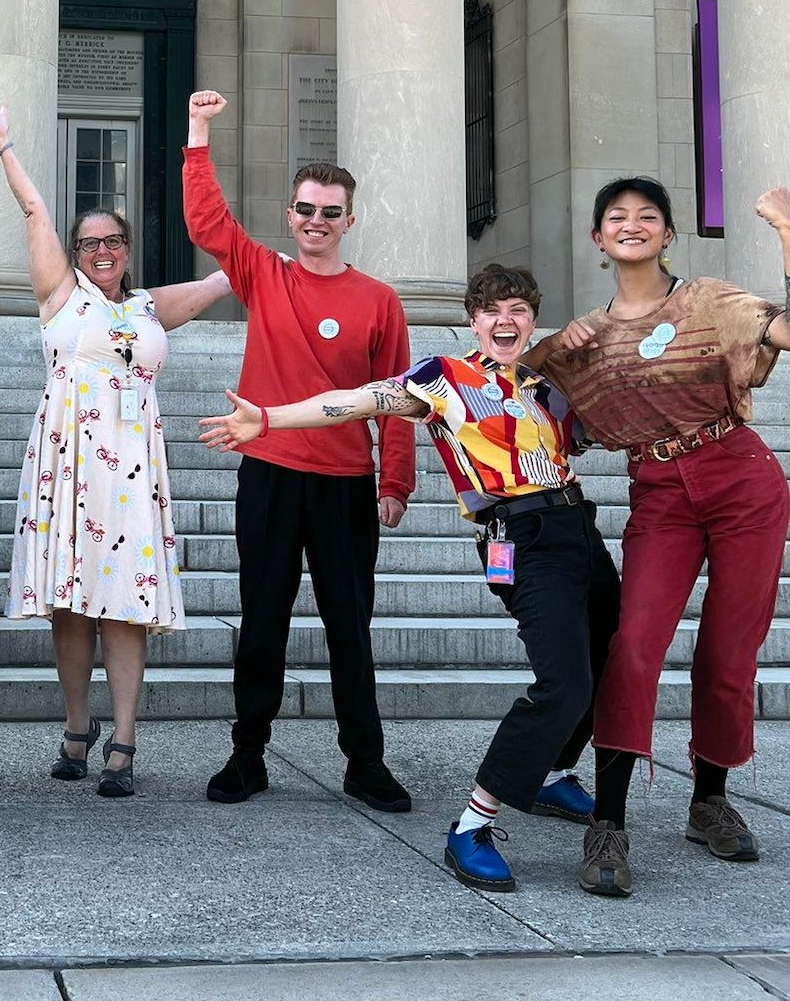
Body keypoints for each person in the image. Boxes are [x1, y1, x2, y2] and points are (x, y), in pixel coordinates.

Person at [203, 264, 621, 893]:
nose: (505, 322)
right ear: (471, 321)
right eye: (491, 311)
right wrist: (268, 420)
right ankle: (472, 827)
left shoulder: (546, 385)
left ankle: (554, 774)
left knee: (611, 665)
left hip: (580, 532)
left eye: (518, 310)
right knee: (562, 683)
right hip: (519, 538)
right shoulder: (443, 380)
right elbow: (360, 400)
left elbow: (604, 430)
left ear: (534, 318)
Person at [527, 178, 790, 898]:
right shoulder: (583, 340)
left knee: (729, 650)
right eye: (616, 218)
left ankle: (709, 800)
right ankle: (609, 821)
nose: (632, 226)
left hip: (741, 478)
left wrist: (788, 228)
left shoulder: (711, 301)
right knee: (633, 646)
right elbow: (497, 381)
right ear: (598, 240)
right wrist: (544, 349)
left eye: (648, 217)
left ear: (667, 235)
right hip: (659, 494)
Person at [0, 90, 230, 797]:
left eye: (114, 241)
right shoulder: (60, 296)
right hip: (70, 463)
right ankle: (76, 730)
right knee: (74, 604)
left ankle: (125, 738)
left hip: (132, 470)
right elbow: (34, 212)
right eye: (92, 243)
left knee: (127, 600)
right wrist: (3, 140)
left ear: (127, 251)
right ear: (77, 253)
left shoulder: (146, 309)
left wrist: (285, 252)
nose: (104, 250)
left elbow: (219, 281)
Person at [181, 89, 417, 812]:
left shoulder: (379, 300)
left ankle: (365, 763)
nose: (316, 222)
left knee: (351, 628)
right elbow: (206, 220)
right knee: (263, 620)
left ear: (350, 220)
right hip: (272, 477)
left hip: (347, 484)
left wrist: (395, 482)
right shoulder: (264, 273)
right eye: (306, 210)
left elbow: (400, 399)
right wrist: (199, 131)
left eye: (330, 212)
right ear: (291, 215)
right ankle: (248, 755)